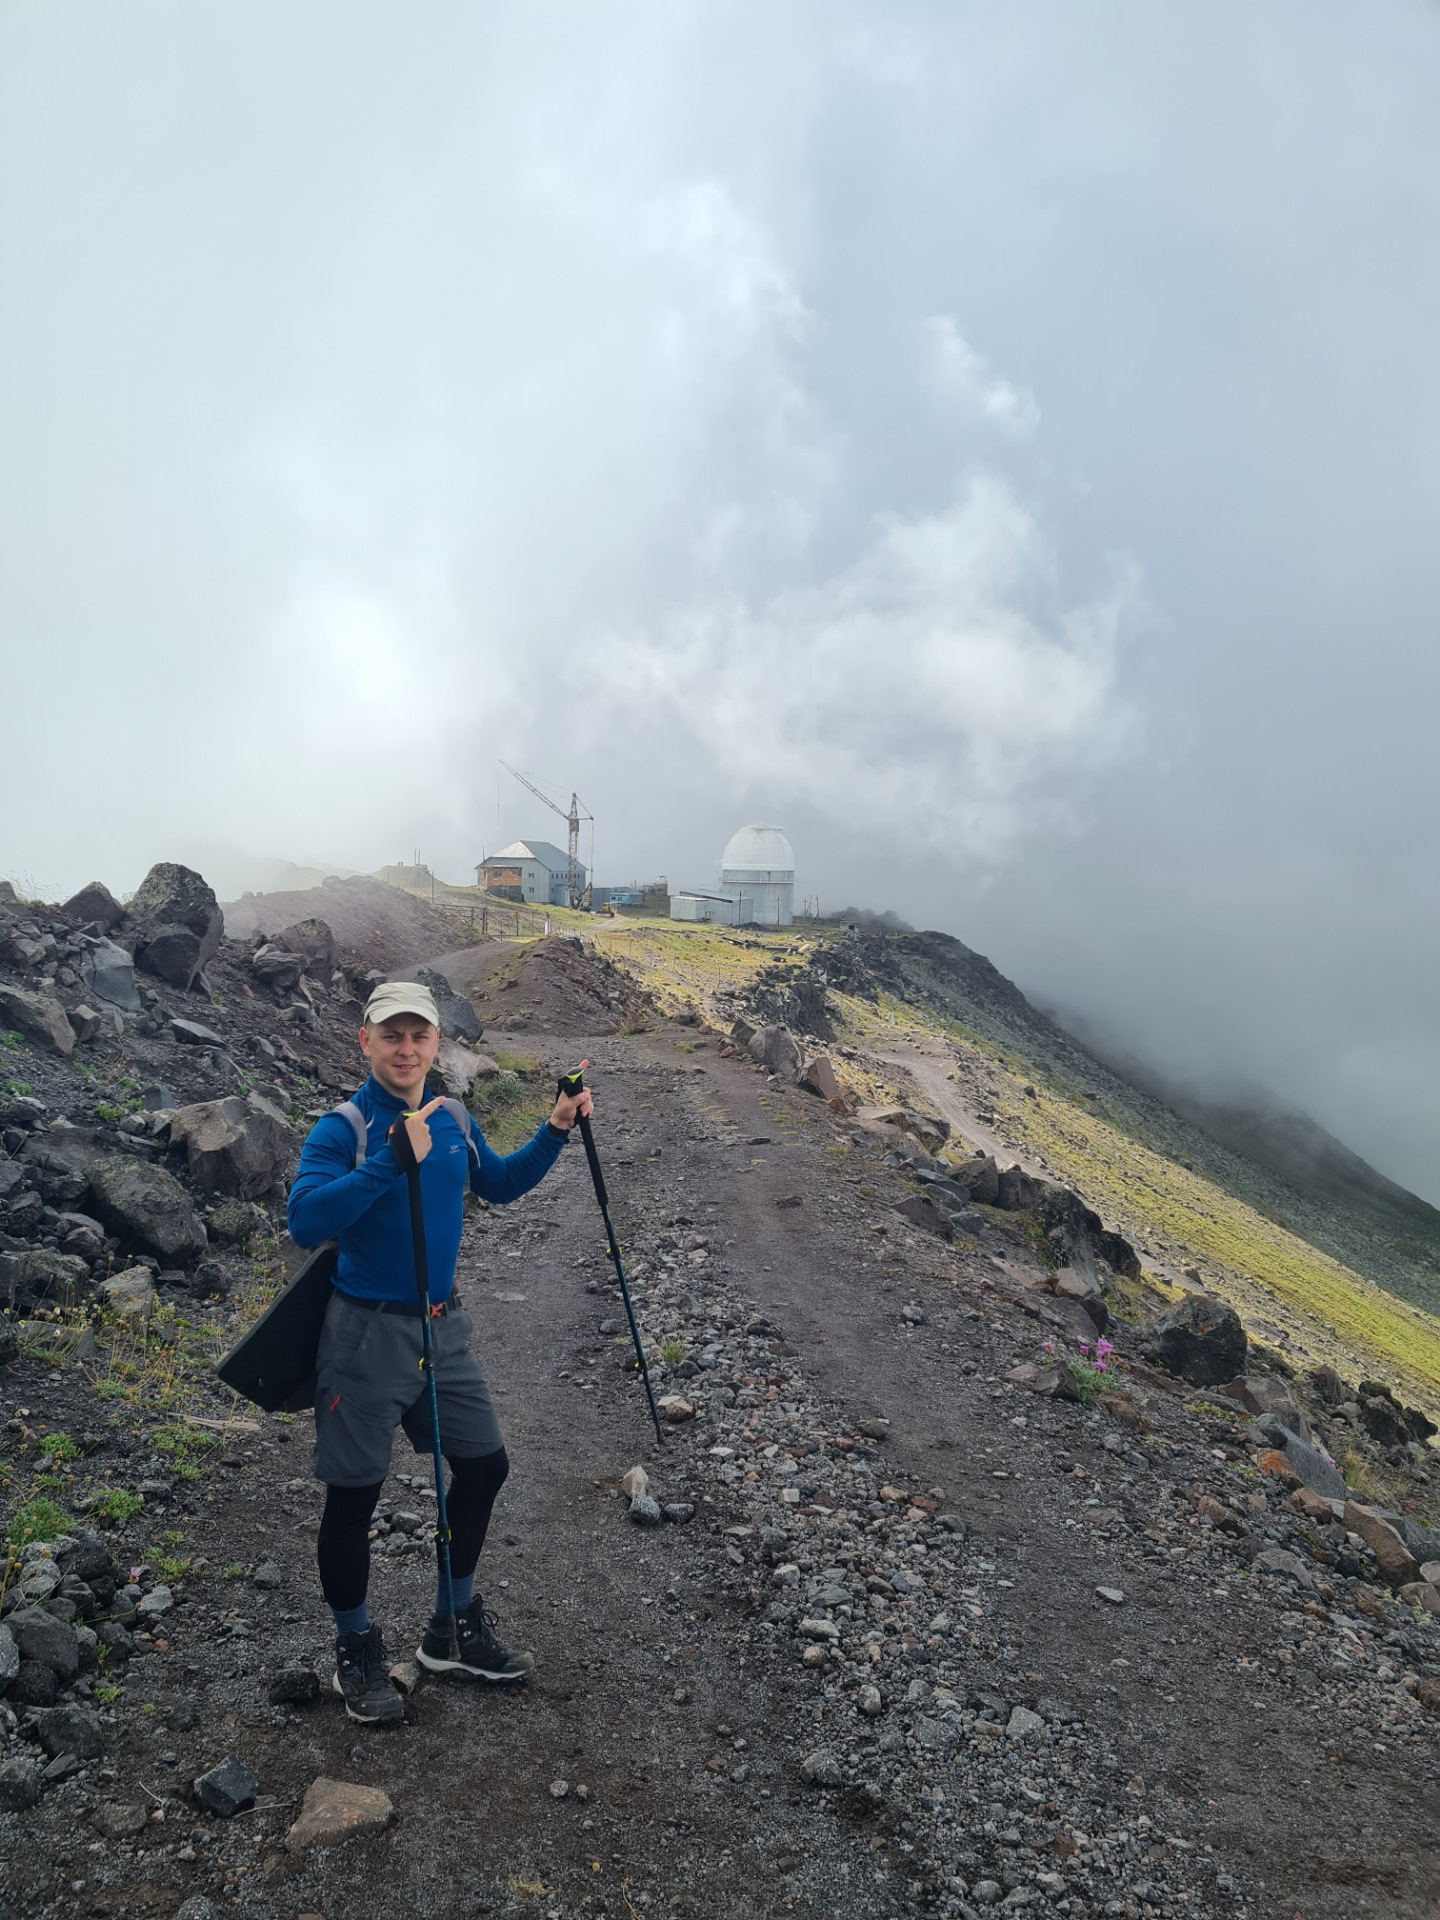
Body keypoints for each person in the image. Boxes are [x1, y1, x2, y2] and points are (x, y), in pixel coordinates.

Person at [287, 979, 591, 1725]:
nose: (406, 1048)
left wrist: (554, 1127)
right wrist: (386, 1162)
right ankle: (356, 1646)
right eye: (391, 1034)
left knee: (485, 1466)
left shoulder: (452, 1115)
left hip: (440, 1330)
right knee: (354, 1499)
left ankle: (449, 1630)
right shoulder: (345, 1128)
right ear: (365, 1041)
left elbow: (500, 1183)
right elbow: (304, 1220)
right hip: (364, 1334)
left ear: (435, 1043)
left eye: (419, 1034)